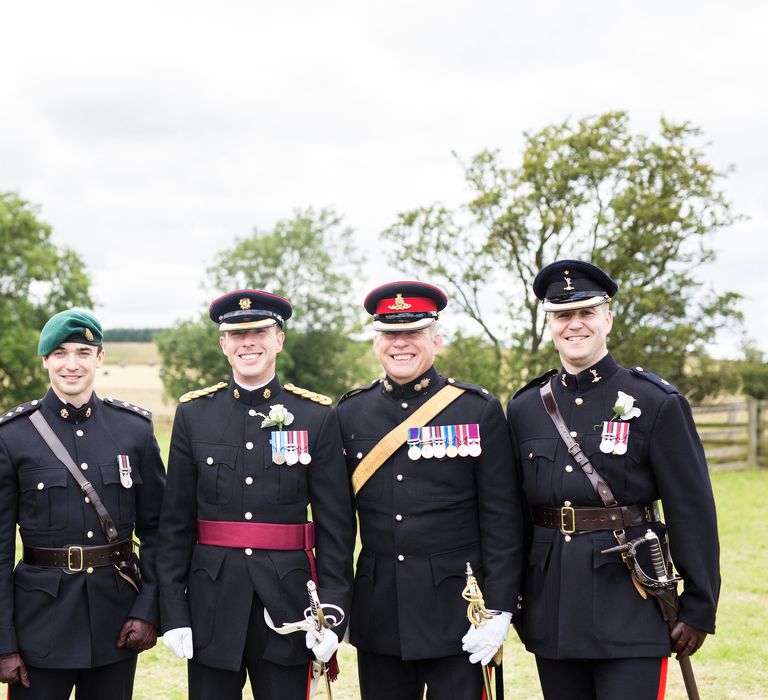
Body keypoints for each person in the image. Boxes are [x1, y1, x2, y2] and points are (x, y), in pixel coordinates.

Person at [506, 260, 720, 700]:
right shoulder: (525, 407)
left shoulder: (655, 401)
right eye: (563, 315)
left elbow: (691, 510)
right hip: (553, 606)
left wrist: (699, 605)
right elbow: (512, 514)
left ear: (608, 317)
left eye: (586, 312)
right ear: (549, 324)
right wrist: (515, 599)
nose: (575, 325)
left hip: (631, 600)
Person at [158, 289, 354, 700]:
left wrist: (332, 613)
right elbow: (175, 524)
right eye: (237, 333)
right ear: (223, 343)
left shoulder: (316, 417)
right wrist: (174, 611)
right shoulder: (194, 415)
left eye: (260, 331)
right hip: (211, 603)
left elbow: (336, 528)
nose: (249, 342)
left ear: (279, 339)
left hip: (290, 605)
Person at [336, 281, 524, 699]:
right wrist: (336, 602)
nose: (400, 344)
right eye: (389, 334)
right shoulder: (350, 412)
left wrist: (499, 608)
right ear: (376, 343)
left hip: (459, 610)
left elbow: (502, 518)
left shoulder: (476, 409)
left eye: (413, 333)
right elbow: (337, 522)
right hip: (379, 609)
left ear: (436, 340)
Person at [0, 309, 165, 700]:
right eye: (59, 353)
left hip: (117, 621)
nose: (71, 364)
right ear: (45, 360)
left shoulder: (134, 431)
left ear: (100, 357)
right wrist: (3, 640)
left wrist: (148, 609)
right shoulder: (12, 437)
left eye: (82, 352)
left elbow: (160, 531)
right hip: (39, 624)